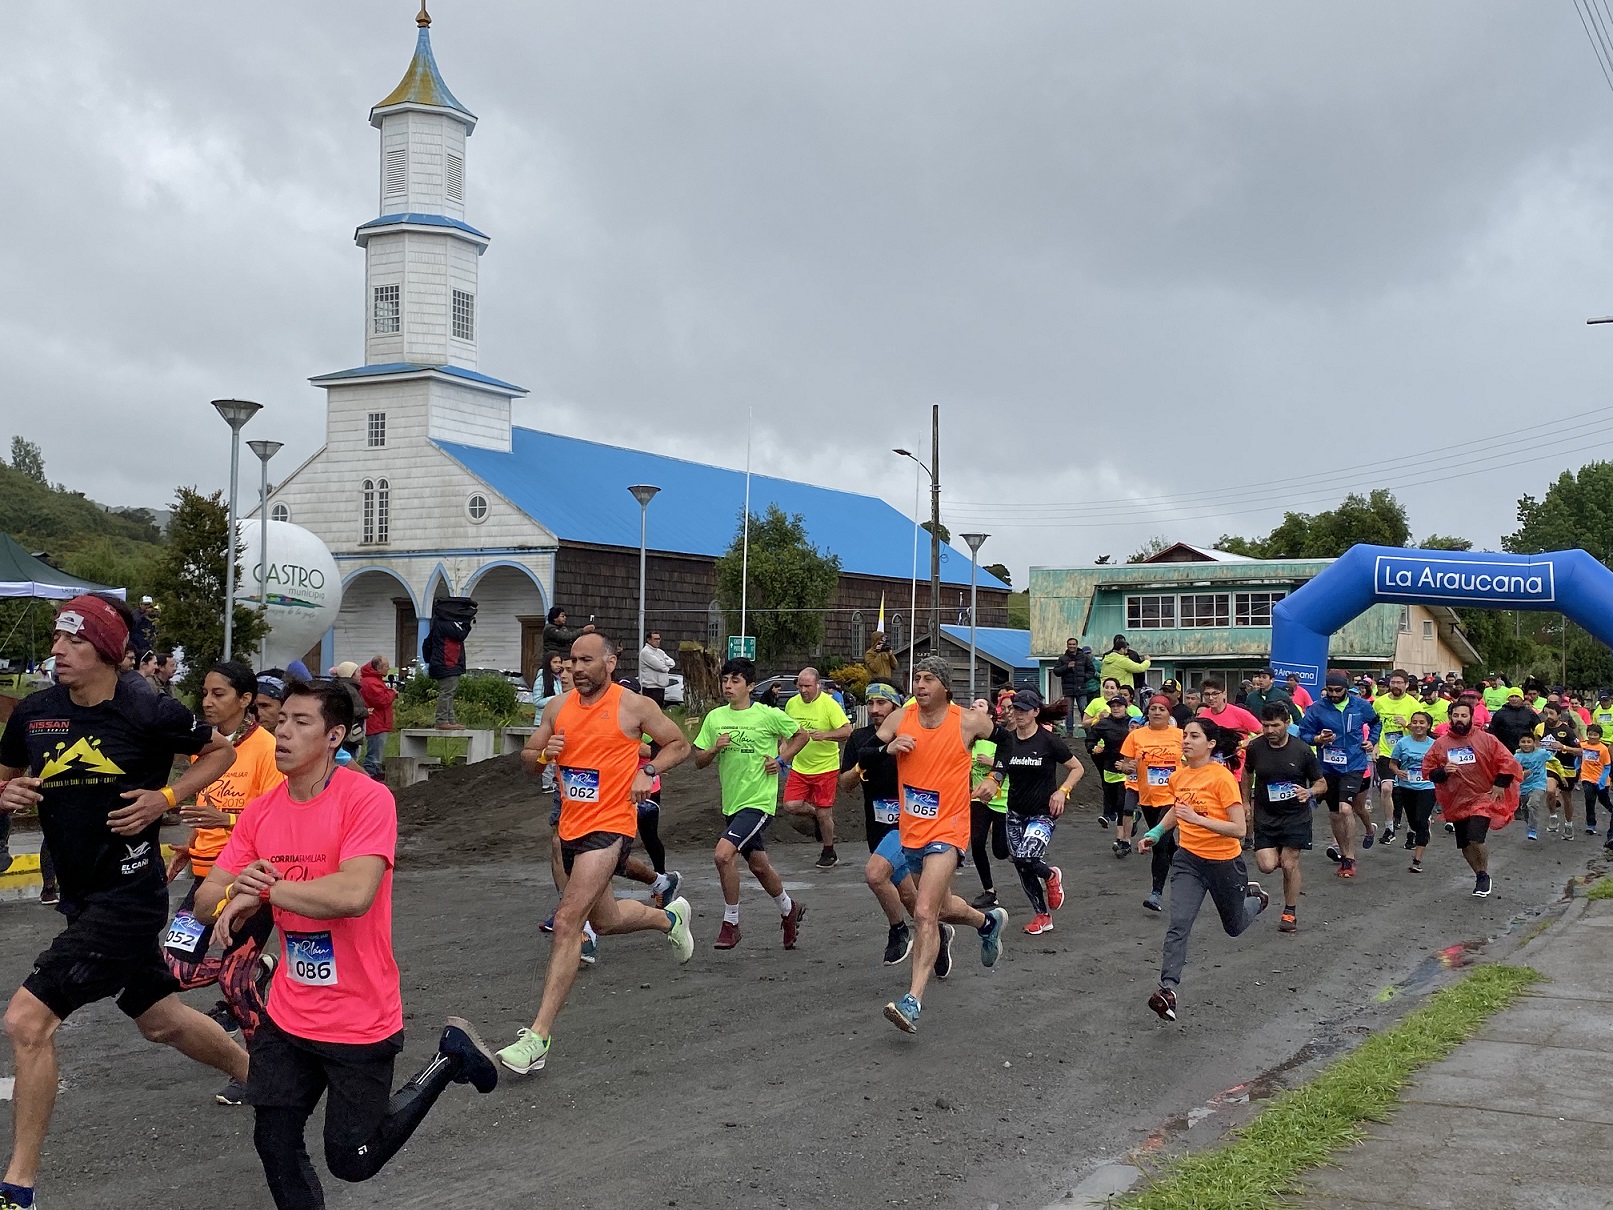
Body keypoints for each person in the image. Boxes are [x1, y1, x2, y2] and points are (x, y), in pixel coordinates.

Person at [192, 679, 498, 1208]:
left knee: (352, 1159)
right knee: (275, 1142)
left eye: (300, 722)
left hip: (360, 1015)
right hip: (288, 1013)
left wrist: (264, 890)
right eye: (280, 719)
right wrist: (232, 895)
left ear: (335, 735)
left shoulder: (366, 799)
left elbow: (354, 893)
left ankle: (448, 1060)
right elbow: (205, 900)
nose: (282, 731)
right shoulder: (262, 812)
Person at [0, 595, 249, 1209]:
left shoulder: (147, 707)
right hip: (82, 898)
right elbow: (4, 773)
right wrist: (9, 792)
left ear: (107, 652)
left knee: (27, 1022)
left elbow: (222, 751)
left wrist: (166, 797)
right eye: (57, 640)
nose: (56, 651)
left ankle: (18, 1186)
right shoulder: (35, 714)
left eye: (73, 642)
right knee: (159, 1019)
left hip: (130, 895)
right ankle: (266, 1079)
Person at [499, 633, 694, 1075]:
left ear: (610, 661)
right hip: (572, 827)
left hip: (612, 826)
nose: (576, 668)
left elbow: (678, 745)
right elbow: (529, 758)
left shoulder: (634, 706)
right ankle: (671, 918)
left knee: (569, 920)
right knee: (604, 920)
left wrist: (647, 769)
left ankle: (538, 1037)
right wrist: (540, 756)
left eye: (586, 660)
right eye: (572, 661)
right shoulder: (557, 707)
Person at [163, 661, 287, 1104]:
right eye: (205, 693)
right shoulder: (207, 747)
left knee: (234, 988)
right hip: (205, 877)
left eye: (219, 694)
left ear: (245, 700)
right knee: (172, 970)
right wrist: (190, 845)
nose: (207, 702)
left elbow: (276, 824)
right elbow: (206, 806)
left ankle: (258, 1073)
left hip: (248, 882)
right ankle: (255, 970)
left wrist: (226, 820)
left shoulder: (268, 749)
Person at [871, 656, 1009, 1034]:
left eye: (929, 678)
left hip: (949, 829)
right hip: (912, 830)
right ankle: (986, 923)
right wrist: (888, 748)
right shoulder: (902, 717)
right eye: (917, 677)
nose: (920, 684)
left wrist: (996, 777)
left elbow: (1009, 741)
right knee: (944, 906)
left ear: (945, 687)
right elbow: (864, 751)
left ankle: (912, 1000)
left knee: (925, 911)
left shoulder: (968, 721)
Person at [1137, 718, 1269, 1022]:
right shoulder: (1179, 776)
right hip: (1189, 861)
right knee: (1178, 923)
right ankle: (1167, 990)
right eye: (1184, 735)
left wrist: (1197, 819)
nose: (1186, 741)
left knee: (1234, 927)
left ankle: (1256, 899)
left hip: (1225, 863)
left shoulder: (1221, 778)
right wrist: (1156, 833)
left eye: (1194, 736)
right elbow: (1177, 809)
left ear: (1210, 744)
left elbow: (1238, 828)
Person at [692, 657, 810, 951]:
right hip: (731, 804)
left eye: (735, 681)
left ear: (750, 685)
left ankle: (731, 924)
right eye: (725, 680)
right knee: (759, 866)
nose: (728, 686)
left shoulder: (767, 715)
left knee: (722, 855)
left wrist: (782, 760)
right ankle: (788, 909)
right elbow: (698, 760)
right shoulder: (715, 717)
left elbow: (801, 735)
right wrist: (713, 748)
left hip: (758, 802)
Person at [981, 690, 1081, 934]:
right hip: (1015, 812)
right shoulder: (1008, 740)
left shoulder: (1048, 741)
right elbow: (1001, 769)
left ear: (1036, 712)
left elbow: (1077, 768)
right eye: (1016, 708)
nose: (1019, 713)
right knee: (1021, 864)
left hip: (1042, 813)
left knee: (1027, 857)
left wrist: (1062, 791)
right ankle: (1042, 916)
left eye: (1025, 709)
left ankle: (1050, 876)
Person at [842, 681, 916, 962]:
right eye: (870, 703)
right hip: (877, 826)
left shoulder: (910, 736)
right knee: (908, 895)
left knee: (875, 875)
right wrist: (864, 764)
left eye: (881, 703)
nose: (874, 709)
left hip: (908, 825)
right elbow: (845, 783)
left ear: (896, 707)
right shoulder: (860, 739)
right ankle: (940, 932)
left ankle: (898, 930)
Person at [1424, 701, 1521, 898]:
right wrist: (1443, 771)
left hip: (1483, 798)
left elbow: (1508, 762)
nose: (1460, 719)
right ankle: (1479, 875)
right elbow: (1428, 771)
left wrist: (1500, 784)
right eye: (1456, 716)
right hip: (1457, 801)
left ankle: (1484, 874)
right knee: (1465, 844)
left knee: (1476, 837)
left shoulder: (1487, 739)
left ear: (1471, 718)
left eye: (1464, 716)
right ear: (1450, 717)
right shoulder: (1441, 744)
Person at [1244, 702, 1325, 933]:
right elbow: (1247, 772)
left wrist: (1309, 792)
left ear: (1287, 724)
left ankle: (1290, 912)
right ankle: (1262, 892)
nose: (1269, 731)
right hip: (1266, 815)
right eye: (1265, 725)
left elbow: (1321, 783)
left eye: (1275, 726)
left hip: (1295, 816)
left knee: (1290, 863)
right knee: (1267, 866)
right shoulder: (1255, 747)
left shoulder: (1301, 750)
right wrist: (1244, 801)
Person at [1297, 671, 1381, 878]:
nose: (1333, 694)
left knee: (1346, 809)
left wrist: (1372, 740)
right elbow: (1303, 733)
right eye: (1330, 690)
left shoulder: (1360, 705)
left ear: (1346, 688)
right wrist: (1318, 738)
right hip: (1328, 767)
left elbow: (1376, 722)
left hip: (1354, 763)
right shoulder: (1317, 708)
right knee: (1335, 813)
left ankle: (1351, 857)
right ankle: (1344, 856)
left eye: (1338, 690)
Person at [781, 667, 853, 869]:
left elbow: (848, 730)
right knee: (791, 805)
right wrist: (784, 749)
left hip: (826, 767)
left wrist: (826, 735)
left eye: (807, 686)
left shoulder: (829, 705)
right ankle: (813, 815)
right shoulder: (792, 704)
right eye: (800, 686)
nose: (803, 690)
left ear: (817, 685)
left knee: (825, 814)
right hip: (800, 766)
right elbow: (788, 731)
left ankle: (829, 851)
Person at [1116, 695, 1183, 906]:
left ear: (1169, 713)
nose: (1156, 712)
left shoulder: (1180, 735)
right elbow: (1127, 766)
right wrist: (1128, 768)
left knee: (1159, 842)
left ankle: (1156, 893)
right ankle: (1185, 866)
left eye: (1161, 709)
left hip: (1174, 796)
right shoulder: (1136, 736)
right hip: (1148, 796)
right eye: (1153, 708)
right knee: (1166, 839)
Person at [963, 697, 1011, 909]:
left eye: (980, 705)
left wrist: (992, 763)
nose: (974, 706)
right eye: (972, 705)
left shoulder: (1001, 738)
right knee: (977, 843)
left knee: (1001, 851)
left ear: (991, 715)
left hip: (1002, 799)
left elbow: (1013, 764)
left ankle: (1031, 862)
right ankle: (989, 891)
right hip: (978, 799)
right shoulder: (969, 738)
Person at [1373, 670, 1420, 845]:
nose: (1396, 686)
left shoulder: (1414, 705)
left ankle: (1411, 830)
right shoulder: (1379, 703)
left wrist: (1407, 725)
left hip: (1408, 753)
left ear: (1407, 685)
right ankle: (1389, 828)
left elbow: (1421, 730)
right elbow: (1374, 726)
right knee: (1386, 789)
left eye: (1400, 683)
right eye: (1393, 682)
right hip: (1386, 752)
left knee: (1411, 792)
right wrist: (1375, 745)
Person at [1388, 711, 1438, 871]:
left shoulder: (1434, 744)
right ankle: (1423, 827)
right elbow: (1392, 763)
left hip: (1427, 787)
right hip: (1406, 786)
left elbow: (1440, 764)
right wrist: (1397, 772)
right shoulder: (1403, 743)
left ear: (1428, 725)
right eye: (1415, 722)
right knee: (1413, 822)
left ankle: (1417, 860)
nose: (1418, 725)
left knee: (1421, 821)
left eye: (1422, 722)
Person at [423, 597, 476, 731]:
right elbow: (460, 635)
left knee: (449, 692)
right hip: (447, 663)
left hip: (445, 663)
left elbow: (427, 644)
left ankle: (450, 720)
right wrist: (467, 623)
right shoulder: (445, 624)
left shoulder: (438, 623)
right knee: (447, 693)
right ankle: (442, 720)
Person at [1086, 697, 1136, 831]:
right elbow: (1090, 740)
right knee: (1112, 798)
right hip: (1109, 766)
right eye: (1113, 706)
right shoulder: (1104, 724)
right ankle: (1128, 819)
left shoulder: (1133, 722)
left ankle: (1123, 837)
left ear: (1126, 707)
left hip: (1129, 768)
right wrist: (1093, 748)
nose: (1115, 708)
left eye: (1119, 706)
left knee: (1122, 802)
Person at [357, 657, 396, 780]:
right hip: (376, 722)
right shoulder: (370, 682)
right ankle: (370, 777)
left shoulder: (372, 680)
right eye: (386, 666)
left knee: (376, 751)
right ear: (378, 668)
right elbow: (381, 700)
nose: (388, 669)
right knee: (374, 753)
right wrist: (392, 693)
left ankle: (374, 774)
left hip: (378, 721)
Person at [1513, 729, 1550, 843]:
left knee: (1533, 803)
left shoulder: (1542, 753)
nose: (1526, 744)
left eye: (1529, 742)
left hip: (1539, 783)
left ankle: (1532, 830)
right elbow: (1513, 773)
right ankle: (1529, 824)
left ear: (1534, 743)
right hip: (1524, 786)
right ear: (1519, 743)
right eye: (1523, 742)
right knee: (1525, 808)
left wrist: (1561, 776)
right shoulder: (1517, 757)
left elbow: (1554, 760)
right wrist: (1522, 774)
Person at [1052, 639, 1096, 733]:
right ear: (1067, 645)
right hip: (1068, 689)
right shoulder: (1062, 659)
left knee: (1084, 711)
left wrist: (1084, 677)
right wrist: (1066, 667)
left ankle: (1089, 732)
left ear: (1077, 645)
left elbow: (1092, 670)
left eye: (1074, 644)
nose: (1072, 646)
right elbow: (1056, 671)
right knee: (1068, 711)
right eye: (1070, 644)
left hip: (1081, 688)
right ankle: (1069, 733)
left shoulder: (1084, 658)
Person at [328, 662, 369, 759]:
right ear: (351, 674)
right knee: (348, 761)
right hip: (349, 734)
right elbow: (344, 709)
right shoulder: (348, 689)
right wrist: (365, 712)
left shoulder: (341, 687)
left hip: (346, 732)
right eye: (358, 672)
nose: (361, 674)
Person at [1579, 723, 1612, 839]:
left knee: (1604, 801)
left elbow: (1607, 766)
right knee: (1589, 799)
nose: (1592, 737)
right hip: (1587, 777)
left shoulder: (1603, 749)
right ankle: (1591, 825)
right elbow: (1575, 753)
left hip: (1601, 780)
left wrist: (1602, 781)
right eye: (1590, 734)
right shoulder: (1582, 745)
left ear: (1600, 736)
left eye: (1595, 735)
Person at [1488, 688, 1540, 754]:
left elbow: (1538, 729)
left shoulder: (1529, 713)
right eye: (1511, 696)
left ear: (1522, 698)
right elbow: (1492, 731)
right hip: (1505, 749)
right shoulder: (1500, 713)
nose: (1514, 699)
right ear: (1508, 699)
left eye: (1517, 696)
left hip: (1525, 749)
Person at [637, 630, 677, 707]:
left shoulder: (660, 652)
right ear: (649, 640)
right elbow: (661, 667)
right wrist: (665, 664)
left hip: (661, 687)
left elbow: (672, 663)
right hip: (651, 688)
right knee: (651, 711)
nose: (658, 641)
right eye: (655, 639)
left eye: (659, 639)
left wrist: (663, 662)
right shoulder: (646, 652)